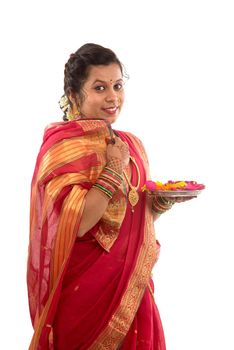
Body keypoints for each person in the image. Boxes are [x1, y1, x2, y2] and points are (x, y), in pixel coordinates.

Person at [27, 43, 194, 349]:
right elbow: (76, 223)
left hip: (131, 286)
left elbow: (128, 212)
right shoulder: (64, 147)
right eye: (100, 87)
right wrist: (114, 167)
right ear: (75, 94)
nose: (113, 97)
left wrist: (159, 203)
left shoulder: (131, 143)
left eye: (118, 86)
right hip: (86, 293)